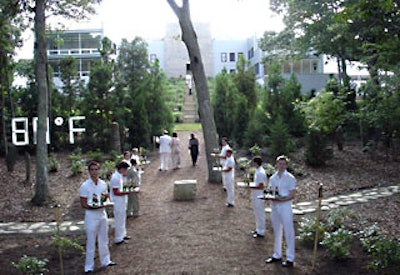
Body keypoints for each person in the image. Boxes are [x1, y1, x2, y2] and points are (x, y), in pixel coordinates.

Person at [79, 161, 116, 273]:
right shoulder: (85, 186)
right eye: (92, 170)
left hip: (102, 214)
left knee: (104, 239)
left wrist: (105, 203)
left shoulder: (103, 184)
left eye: (96, 169)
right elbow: (84, 204)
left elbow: (105, 198)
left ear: (99, 170)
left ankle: (105, 260)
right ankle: (89, 266)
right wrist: (94, 207)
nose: (94, 172)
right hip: (91, 216)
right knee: (91, 241)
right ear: (89, 171)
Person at [265, 155, 296, 268]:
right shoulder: (273, 178)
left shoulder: (290, 178)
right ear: (276, 164)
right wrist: (268, 197)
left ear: (286, 165)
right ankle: (277, 254)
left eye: (283, 164)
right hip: (275, 206)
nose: (281, 166)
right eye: (279, 163)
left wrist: (282, 199)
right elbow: (270, 191)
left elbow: (292, 195)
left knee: (288, 231)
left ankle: (290, 258)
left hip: (285, 206)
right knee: (277, 230)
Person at [109, 162, 131, 245]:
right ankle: (118, 238)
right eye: (125, 169)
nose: (126, 171)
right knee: (119, 219)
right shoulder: (115, 178)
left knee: (122, 218)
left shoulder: (119, 176)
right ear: (121, 169)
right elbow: (116, 192)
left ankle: (123, 234)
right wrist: (127, 192)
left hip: (122, 201)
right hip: (117, 201)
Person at [250, 156, 267, 238]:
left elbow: (261, 186)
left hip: (259, 194)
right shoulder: (257, 171)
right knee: (256, 212)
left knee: (260, 212)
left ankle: (261, 231)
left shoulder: (261, 173)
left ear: (256, 163)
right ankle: (258, 228)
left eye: (254, 162)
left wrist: (251, 186)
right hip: (255, 193)